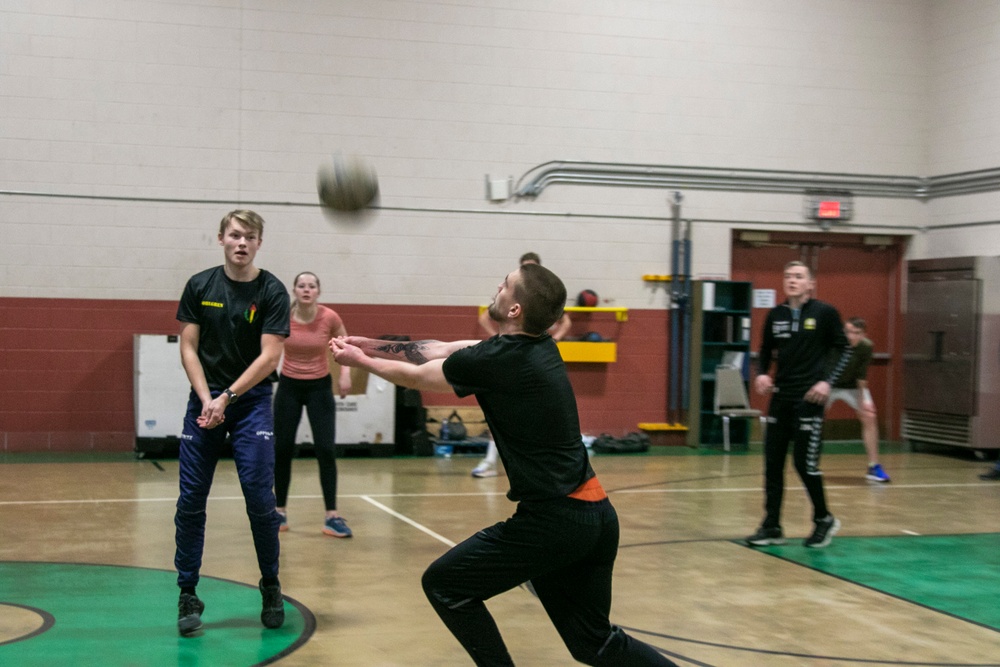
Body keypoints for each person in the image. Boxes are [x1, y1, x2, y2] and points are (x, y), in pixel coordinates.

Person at [331, 263, 677, 666]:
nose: (498, 286)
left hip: (556, 521)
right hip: (595, 518)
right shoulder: (537, 346)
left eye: (506, 285)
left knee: (445, 585)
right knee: (594, 643)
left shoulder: (500, 359)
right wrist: (367, 344)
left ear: (515, 310)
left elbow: (418, 376)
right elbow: (441, 348)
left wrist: (361, 362)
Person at [173, 209, 289, 636]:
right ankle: (188, 592)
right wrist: (207, 399)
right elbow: (188, 347)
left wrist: (227, 398)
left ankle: (271, 584)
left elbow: (270, 356)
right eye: (235, 235)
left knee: (260, 501)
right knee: (190, 501)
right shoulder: (200, 285)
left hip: (250, 402)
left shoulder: (272, 290)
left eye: (250, 237)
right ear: (221, 238)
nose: (242, 243)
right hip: (205, 402)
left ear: (259, 243)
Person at [746, 261, 855, 549]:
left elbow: (844, 349)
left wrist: (827, 382)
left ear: (810, 284)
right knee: (772, 463)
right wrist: (761, 376)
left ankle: (824, 519)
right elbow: (765, 352)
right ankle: (771, 526)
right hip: (780, 398)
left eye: (798, 276)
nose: (792, 280)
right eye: (788, 276)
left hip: (810, 400)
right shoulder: (776, 315)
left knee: (804, 464)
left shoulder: (825, 313)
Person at [471, 252, 572, 479]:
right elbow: (484, 318)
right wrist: (497, 337)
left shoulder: (543, 300)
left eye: (532, 267)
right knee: (500, 413)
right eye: (525, 267)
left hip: (532, 360)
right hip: (512, 357)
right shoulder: (510, 297)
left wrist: (556, 338)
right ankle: (490, 461)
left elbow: (566, 321)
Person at [273, 271, 353, 538]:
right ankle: (279, 511)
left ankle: (332, 516)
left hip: (319, 387)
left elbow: (345, 343)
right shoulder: (282, 315)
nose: (306, 290)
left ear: (318, 291)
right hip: (289, 387)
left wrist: (345, 373)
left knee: (325, 449)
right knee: (282, 449)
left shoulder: (329, 317)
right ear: (294, 291)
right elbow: (268, 345)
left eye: (312, 286)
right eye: (301, 286)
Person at [825, 317, 890, 483]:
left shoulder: (866, 347)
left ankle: (873, 466)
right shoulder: (834, 344)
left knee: (869, 416)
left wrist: (864, 401)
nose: (851, 336)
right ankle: (807, 464)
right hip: (827, 385)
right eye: (848, 332)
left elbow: (862, 376)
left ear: (864, 334)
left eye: (856, 333)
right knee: (814, 418)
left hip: (852, 387)